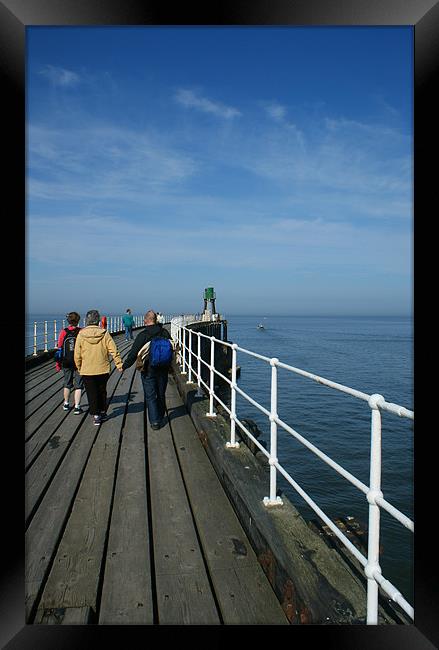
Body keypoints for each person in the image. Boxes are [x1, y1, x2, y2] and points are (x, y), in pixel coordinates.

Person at [122, 310, 173, 430]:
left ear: (145, 320)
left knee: (150, 395)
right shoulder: (164, 332)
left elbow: (133, 353)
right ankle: (160, 415)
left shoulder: (143, 335)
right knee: (161, 393)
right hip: (163, 368)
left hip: (148, 369)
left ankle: (155, 421)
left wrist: (124, 366)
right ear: (155, 320)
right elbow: (171, 347)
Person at [74, 309, 123, 426]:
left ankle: (96, 416)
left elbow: (77, 354)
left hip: (87, 369)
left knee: (91, 392)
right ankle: (102, 410)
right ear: (98, 321)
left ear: (86, 320)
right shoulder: (104, 333)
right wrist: (119, 364)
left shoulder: (81, 334)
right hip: (102, 368)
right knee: (102, 390)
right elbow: (113, 349)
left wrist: (79, 367)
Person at [55, 311, 84, 414]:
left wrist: (58, 364)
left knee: (67, 383)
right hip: (79, 362)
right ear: (78, 321)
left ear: (68, 320)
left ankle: (66, 404)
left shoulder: (64, 332)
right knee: (79, 384)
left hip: (66, 361)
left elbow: (59, 348)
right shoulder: (81, 331)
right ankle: (77, 406)